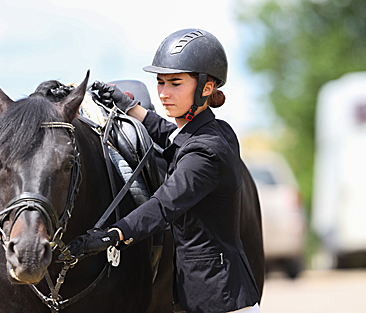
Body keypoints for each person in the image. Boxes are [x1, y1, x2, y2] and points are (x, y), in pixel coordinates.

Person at [64, 29, 261, 313]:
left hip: (218, 301)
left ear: (206, 87)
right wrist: (131, 108)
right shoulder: (216, 131)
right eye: (160, 82)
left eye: (175, 83)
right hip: (218, 295)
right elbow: (171, 134)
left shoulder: (205, 153)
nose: (164, 93)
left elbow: (163, 205)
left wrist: (112, 235)